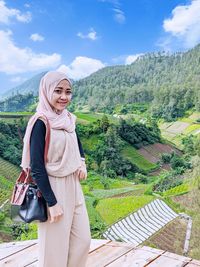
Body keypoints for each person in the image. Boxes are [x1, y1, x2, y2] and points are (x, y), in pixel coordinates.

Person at [20, 71, 91, 267]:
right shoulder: (40, 122)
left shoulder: (68, 119)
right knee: (54, 250)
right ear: (46, 91)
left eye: (68, 92)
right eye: (58, 91)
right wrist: (51, 202)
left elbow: (76, 142)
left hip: (74, 185)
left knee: (82, 241)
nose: (64, 97)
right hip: (52, 186)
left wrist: (81, 162)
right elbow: (36, 167)